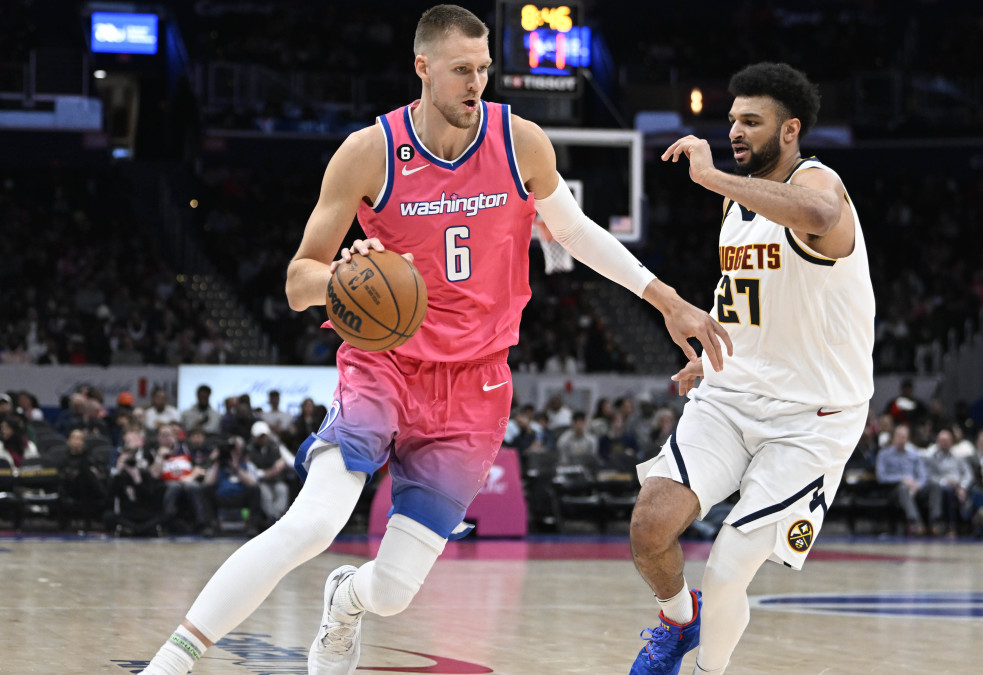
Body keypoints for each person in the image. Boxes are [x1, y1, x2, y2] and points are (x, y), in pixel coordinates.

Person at [139, 6, 722, 674]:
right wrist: (347, 276)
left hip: (476, 386)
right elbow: (298, 282)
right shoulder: (369, 152)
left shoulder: (521, 141)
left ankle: (345, 599)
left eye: (483, 69)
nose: (476, 83)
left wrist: (666, 297)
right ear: (423, 68)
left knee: (391, 592)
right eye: (460, 70)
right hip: (383, 365)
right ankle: (172, 660)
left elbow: (577, 232)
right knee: (314, 521)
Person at [625, 62, 873, 675]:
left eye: (750, 122)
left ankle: (707, 669)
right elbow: (749, 289)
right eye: (732, 120)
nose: (734, 132)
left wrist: (708, 178)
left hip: (812, 419)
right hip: (734, 395)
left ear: (790, 130)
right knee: (650, 525)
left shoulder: (821, 185)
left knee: (730, 561)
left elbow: (816, 217)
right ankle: (681, 620)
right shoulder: (739, 208)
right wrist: (713, 350)